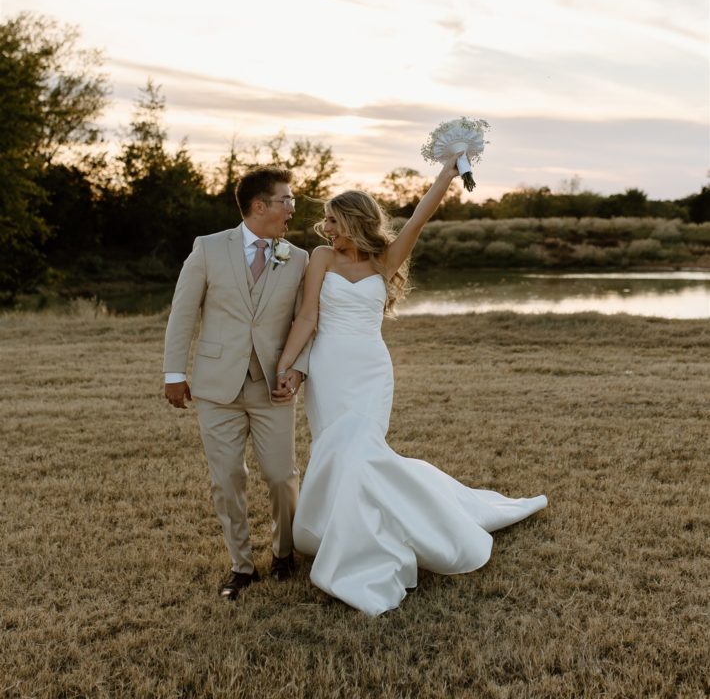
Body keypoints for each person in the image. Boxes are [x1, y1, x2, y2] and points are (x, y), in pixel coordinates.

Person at [272, 155, 547, 616]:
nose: (326, 228)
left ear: (356, 221)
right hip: (331, 369)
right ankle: (346, 534)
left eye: (334, 221)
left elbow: (421, 214)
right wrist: (286, 366)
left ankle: (368, 542)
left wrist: (448, 173)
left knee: (364, 452)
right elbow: (307, 316)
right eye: (326, 221)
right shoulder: (321, 258)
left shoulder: (386, 257)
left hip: (372, 370)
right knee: (338, 451)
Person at [163, 167, 312, 600]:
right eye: (287, 200)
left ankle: (285, 554)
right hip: (216, 387)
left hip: (273, 387)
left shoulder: (298, 258)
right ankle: (241, 566)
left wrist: (296, 371)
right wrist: (175, 373)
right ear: (259, 206)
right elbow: (183, 312)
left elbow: (305, 322)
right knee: (227, 477)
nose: (292, 208)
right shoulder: (208, 249)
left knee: (282, 476)